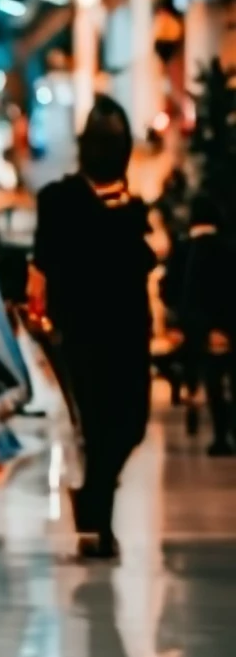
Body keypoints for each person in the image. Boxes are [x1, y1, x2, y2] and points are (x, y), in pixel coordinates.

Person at [28, 95, 155, 559]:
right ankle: (99, 521)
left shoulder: (131, 204)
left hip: (130, 331)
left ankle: (93, 504)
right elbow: (43, 265)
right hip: (83, 332)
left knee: (133, 424)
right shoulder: (59, 199)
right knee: (100, 426)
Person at [161, 193, 236, 455]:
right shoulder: (229, 248)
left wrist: (180, 323)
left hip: (196, 326)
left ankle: (208, 422)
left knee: (207, 379)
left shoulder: (184, 250)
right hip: (229, 324)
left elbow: (172, 290)